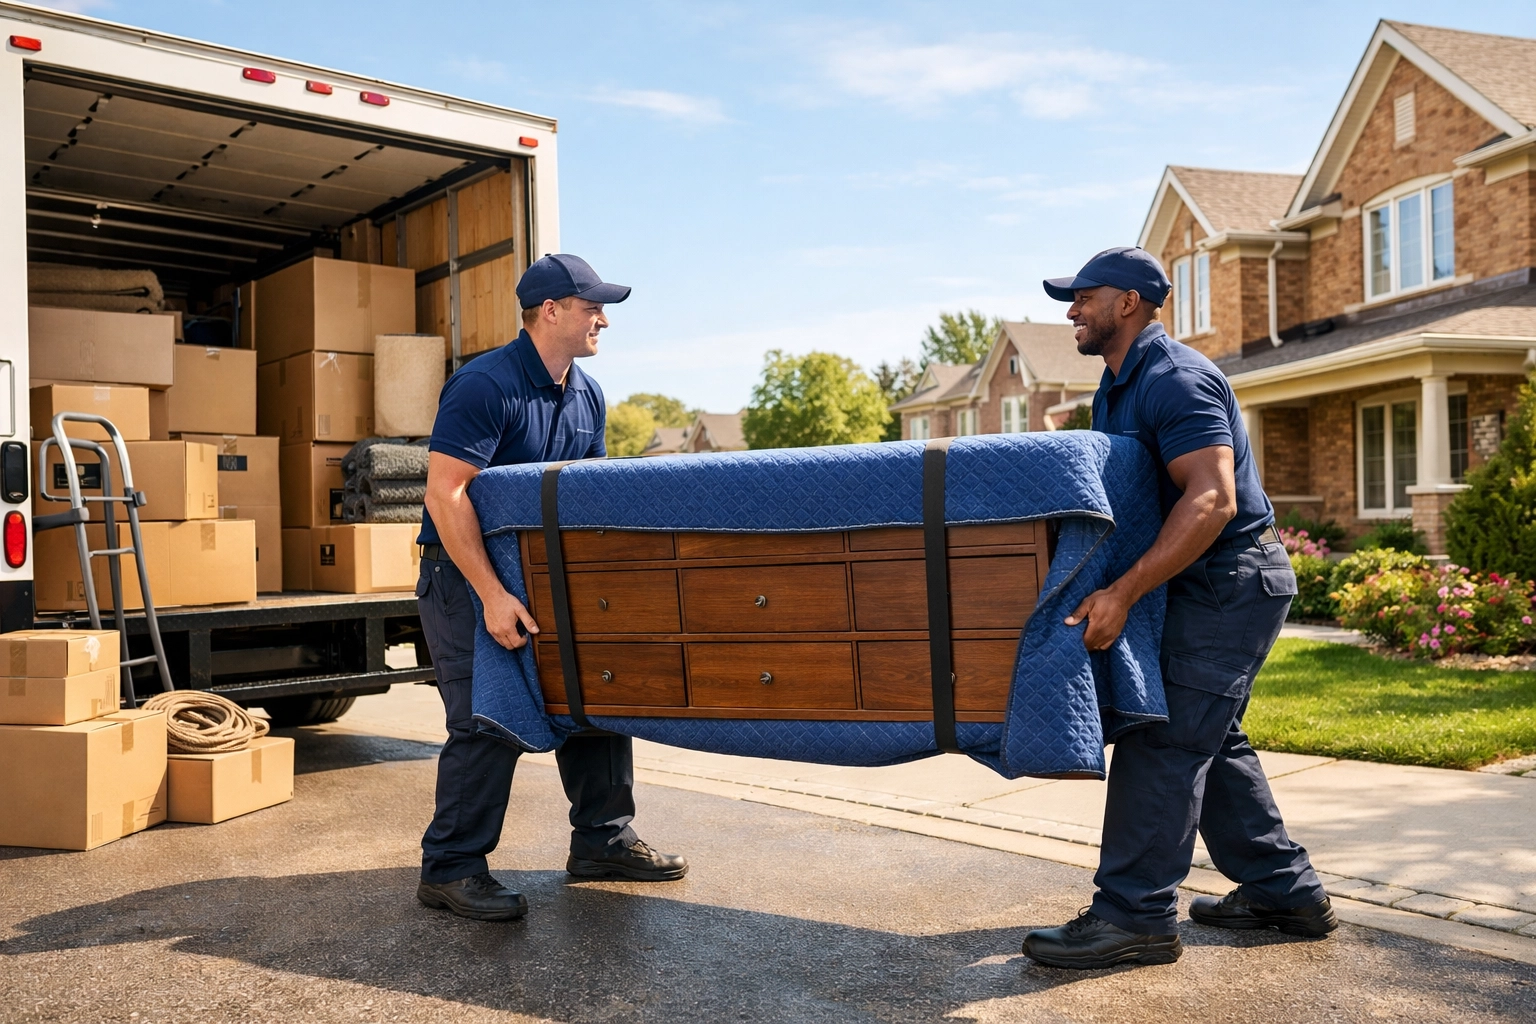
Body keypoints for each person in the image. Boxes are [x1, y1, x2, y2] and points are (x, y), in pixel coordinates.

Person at [1021, 247, 1334, 969]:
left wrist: (1124, 591)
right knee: (1210, 738)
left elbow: (1213, 499)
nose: (1071, 310)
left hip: (1229, 581)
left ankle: (1135, 918)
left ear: (1127, 303)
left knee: (1163, 738)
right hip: (1196, 580)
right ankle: (1285, 891)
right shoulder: (1118, 384)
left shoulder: (1176, 379)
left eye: (1083, 297)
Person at [414, 253, 688, 922]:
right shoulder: (485, 385)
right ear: (549, 311)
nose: (603, 318)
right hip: (466, 579)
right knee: (486, 717)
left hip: (550, 580)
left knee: (594, 694)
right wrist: (491, 594)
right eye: (592, 305)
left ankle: (602, 840)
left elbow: (582, 500)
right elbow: (446, 493)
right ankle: (449, 869)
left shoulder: (588, 393)